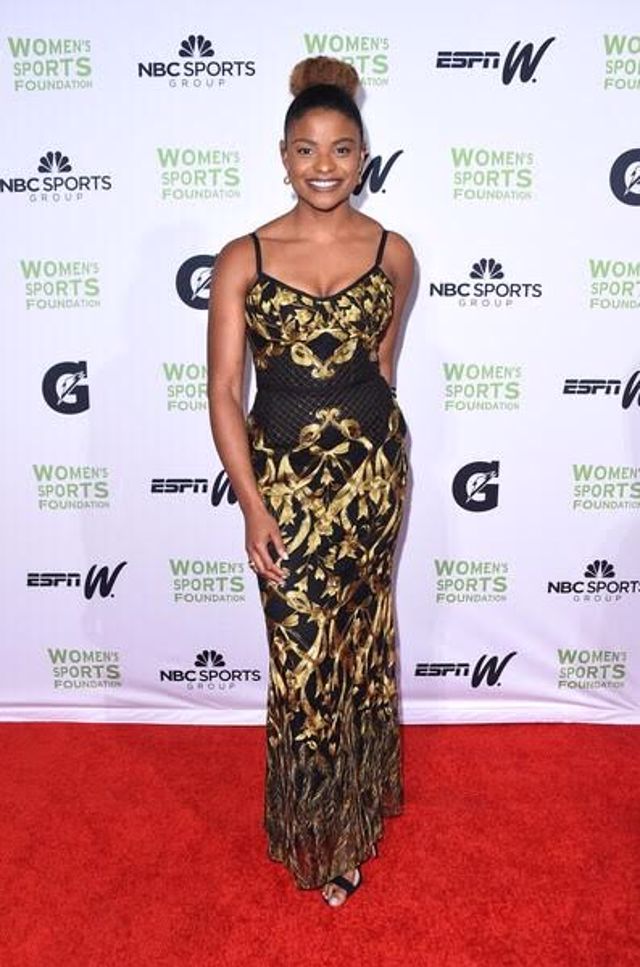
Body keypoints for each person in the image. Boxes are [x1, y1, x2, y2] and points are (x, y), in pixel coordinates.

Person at [207, 54, 414, 908]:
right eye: (306, 149)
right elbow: (225, 390)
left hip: (372, 480)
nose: (323, 165)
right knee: (301, 663)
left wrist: (376, 460)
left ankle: (353, 818)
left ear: (363, 157)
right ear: (283, 156)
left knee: (359, 646)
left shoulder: (394, 253)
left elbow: (382, 368)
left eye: (341, 148)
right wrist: (252, 504)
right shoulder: (243, 257)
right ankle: (315, 828)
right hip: (283, 487)